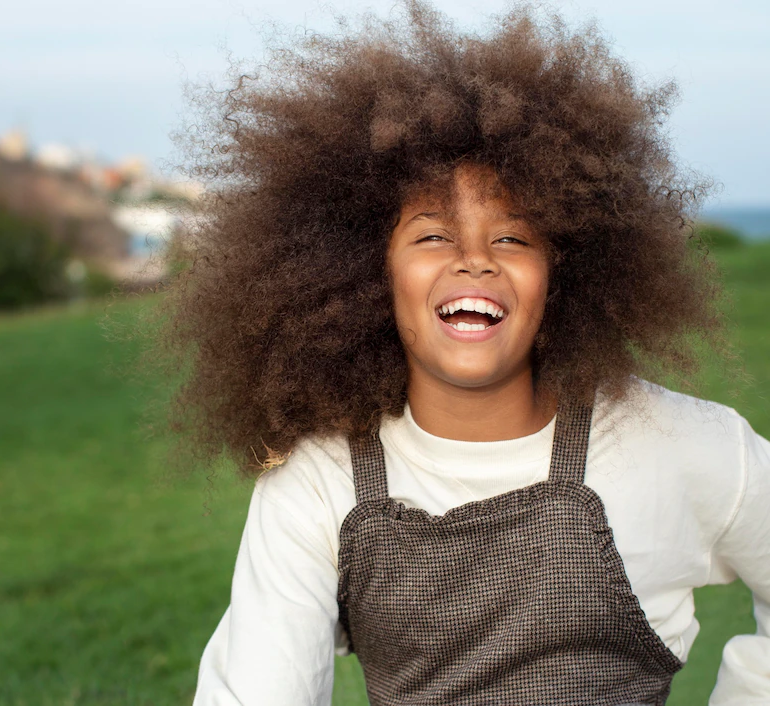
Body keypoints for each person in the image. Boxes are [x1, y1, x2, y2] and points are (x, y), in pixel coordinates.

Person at [156, 2, 770, 703]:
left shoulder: (677, 445)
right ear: (364, 272)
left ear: (564, 273)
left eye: (513, 237)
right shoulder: (322, 481)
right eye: (432, 235)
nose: (475, 260)